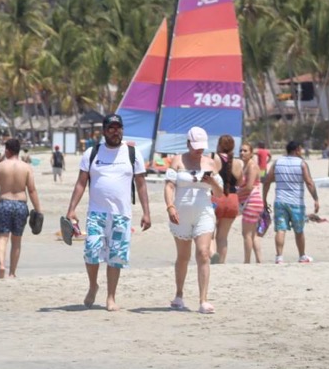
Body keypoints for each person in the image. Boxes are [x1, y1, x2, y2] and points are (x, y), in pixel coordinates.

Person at [64, 113, 151, 311]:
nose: (115, 131)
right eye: (110, 128)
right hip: (96, 213)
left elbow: (141, 184)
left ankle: (111, 297)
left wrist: (146, 212)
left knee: (116, 256)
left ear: (122, 130)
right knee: (91, 252)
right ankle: (93, 285)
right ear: (104, 131)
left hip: (122, 215)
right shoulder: (92, 153)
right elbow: (80, 183)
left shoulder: (132, 154)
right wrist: (72, 209)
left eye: (118, 128)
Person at [164, 127, 224, 314]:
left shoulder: (211, 162)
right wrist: (170, 206)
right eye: (195, 146)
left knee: (203, 253)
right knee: (183, 257)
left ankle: (203, 300)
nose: (199, 150)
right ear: (188, 143)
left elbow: (220, 193)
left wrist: (211, 181)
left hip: (204, 211)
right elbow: (169, 186)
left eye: (201, 147)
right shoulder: (177, 160)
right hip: (181, 212)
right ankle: (179, 294)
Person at [0, 138, 42, 279]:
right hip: (20, 204)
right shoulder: (26, 167)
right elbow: (32, 190)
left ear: (7, 150)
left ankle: (1, 265)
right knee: (16, 240)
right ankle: (12, 273)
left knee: (2, 237)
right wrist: (38, 209)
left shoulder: (0, 166)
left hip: (4, 203)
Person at [263, 140, 320, 264]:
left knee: (280, 229)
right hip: (296, 203)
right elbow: (309, 182)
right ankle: (302, 256)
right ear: (297, 150)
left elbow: (267, 181)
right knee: (298, 230)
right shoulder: (302, 164)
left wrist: (264, 199)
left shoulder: (277, 162)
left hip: (280, 201)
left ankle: (279, 257)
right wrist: (316, 199)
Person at [210, 135, 243, 264]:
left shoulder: (214, 158)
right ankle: (221, 263)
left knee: (210, 232)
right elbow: (240, 183)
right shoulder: (238, 162)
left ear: (219, 145)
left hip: (216, 197)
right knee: (223, 237)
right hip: (233, 199)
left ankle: (212, 255)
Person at [238, 142, 264, 263]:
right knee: (252, 234)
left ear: (251, 153)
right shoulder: (244, 166)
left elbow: (249, 187)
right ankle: (259, 260)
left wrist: (235, 194)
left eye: (245, 151)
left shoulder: (252, 166)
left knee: (246, 234)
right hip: (250, 201)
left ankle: (247, 261)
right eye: (241, 151)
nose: (242, 153)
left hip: (252, 201)